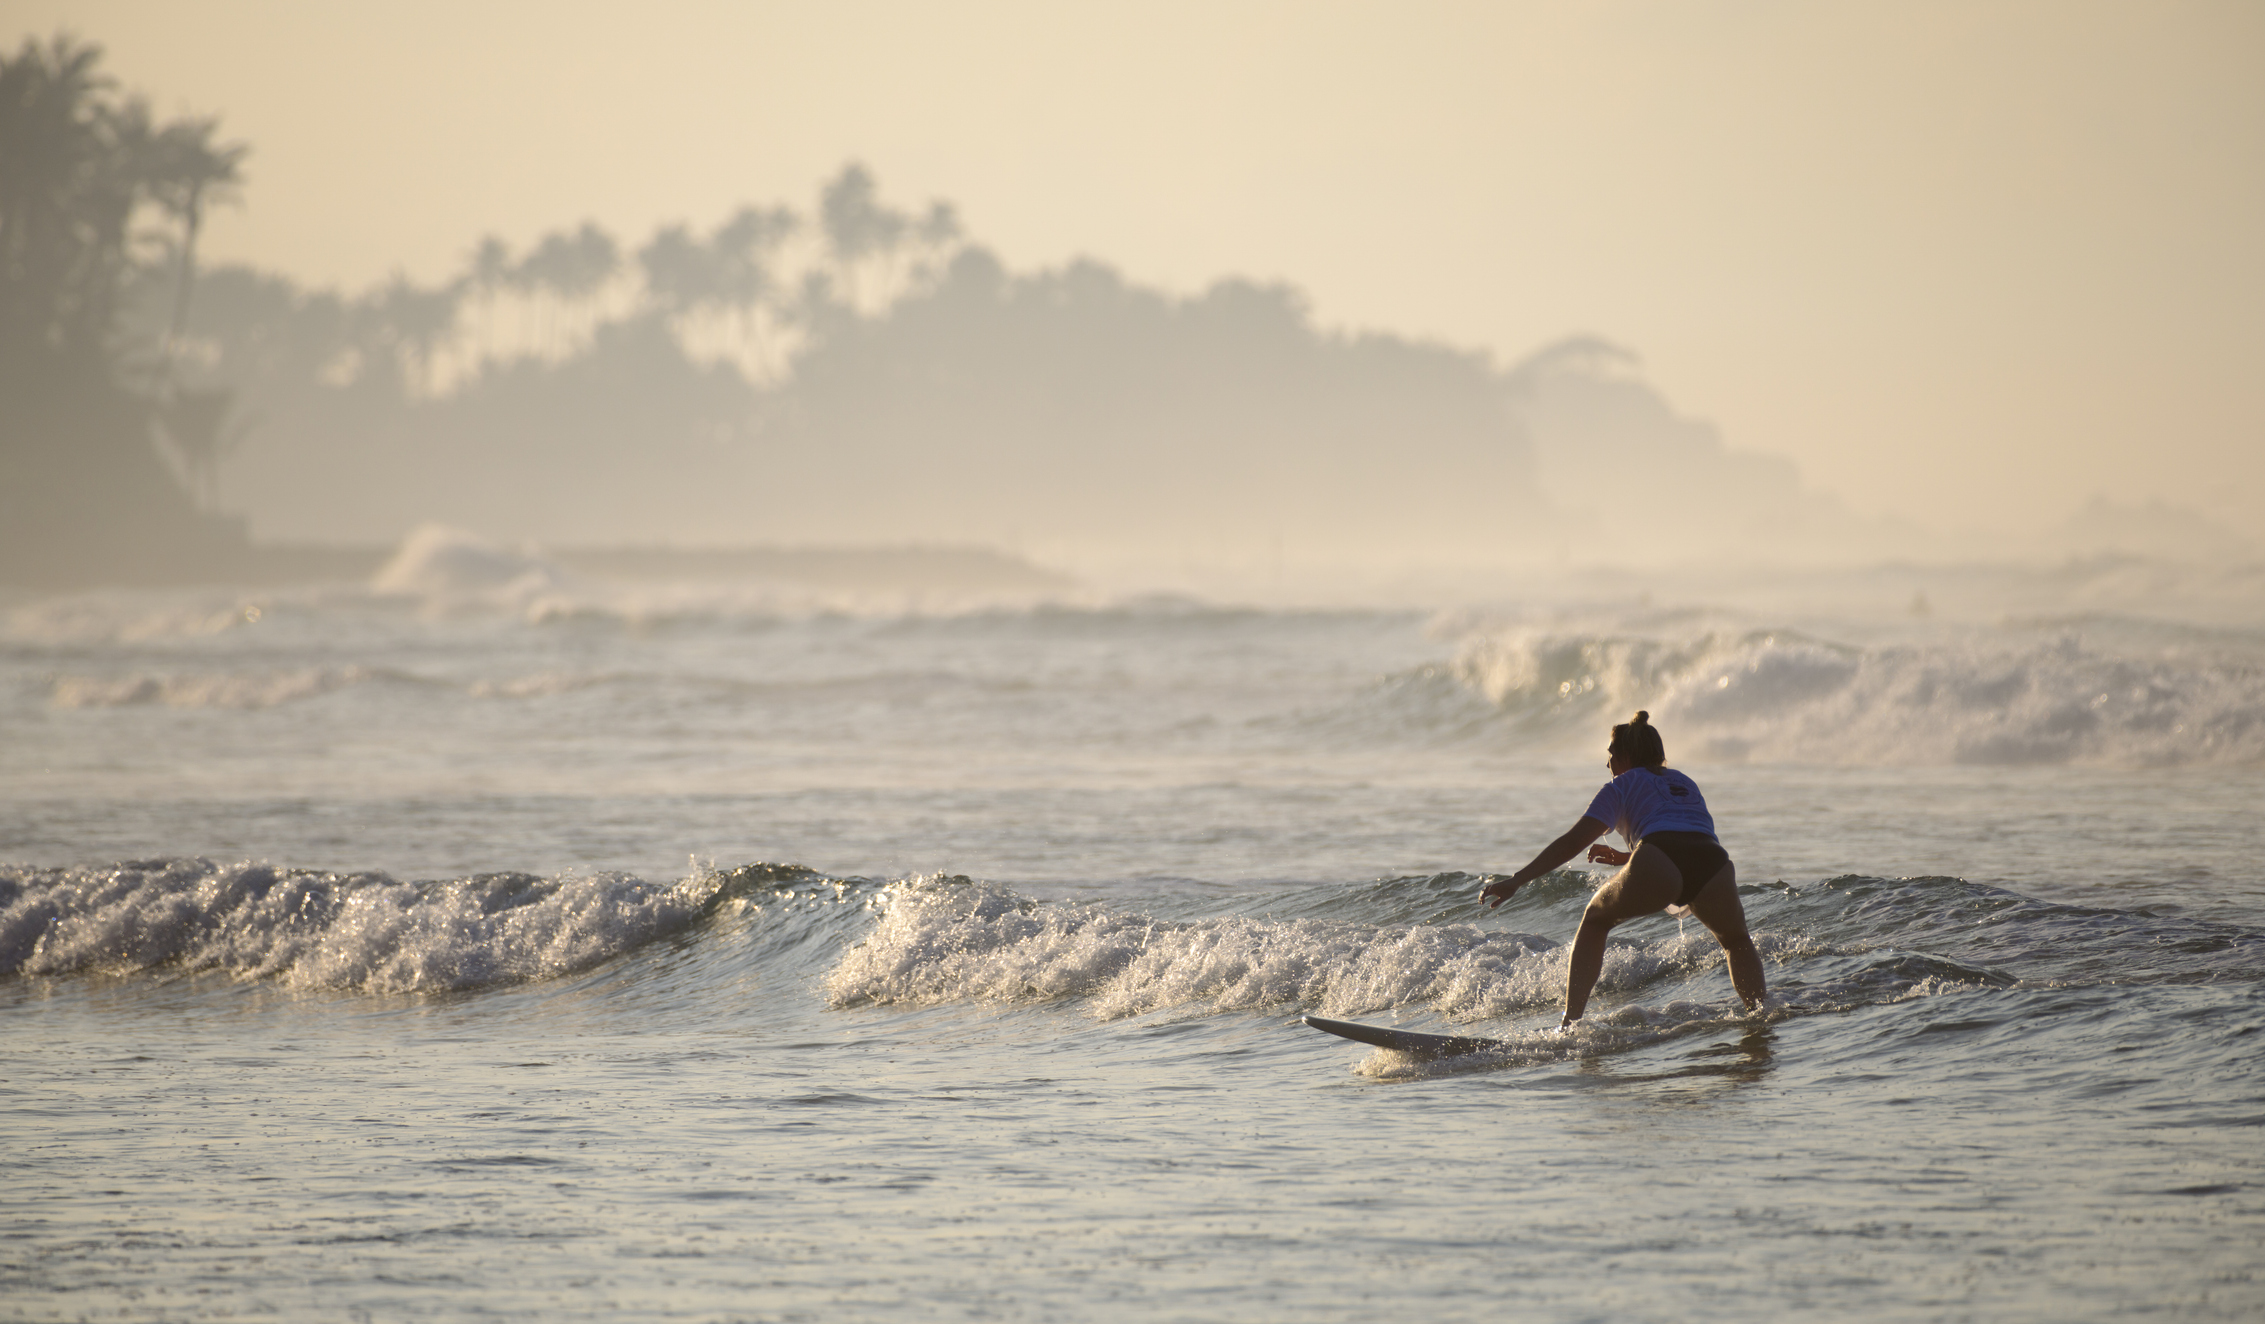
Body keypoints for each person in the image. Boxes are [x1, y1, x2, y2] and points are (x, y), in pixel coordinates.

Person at [1479, 711, 1768, 1027]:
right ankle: (1761, 1015)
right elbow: (1682, 837)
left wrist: (1517, 880)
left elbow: (1573, 841)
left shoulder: (1620, 785)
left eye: (1611, 755)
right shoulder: (1684, 782)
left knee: (1595, 919)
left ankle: (1569, 1024)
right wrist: (1624, 858)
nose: (1607, 764)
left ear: (1626, 756)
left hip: (1660, 857)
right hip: (1714, 862)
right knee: (1736, 941)